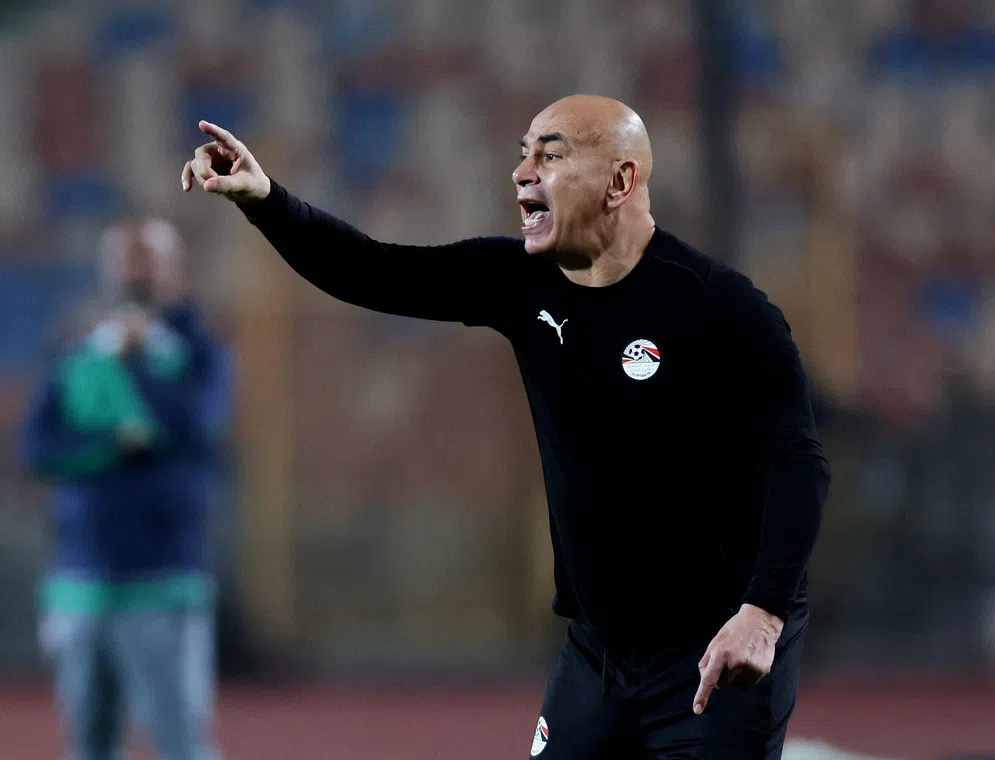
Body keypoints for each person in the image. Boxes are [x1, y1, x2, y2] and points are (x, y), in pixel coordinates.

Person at [182, 94, 830, 759]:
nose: (523, 172)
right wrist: (263, 199)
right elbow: (371, 269)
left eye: (550, 154)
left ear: (621, 181)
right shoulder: (521, 281)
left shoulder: (721, 306)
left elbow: (798, 460)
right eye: (522, 153)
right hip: (597, 653)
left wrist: (764, 612)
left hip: (715, 647)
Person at [22, 218, 233, 760]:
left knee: (180, 742)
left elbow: (193, 425)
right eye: (124, 259)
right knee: (89, 747)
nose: (134, 272)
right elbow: (40, 449)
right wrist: (118, 442)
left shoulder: (197, 355)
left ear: (176, 271)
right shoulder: (80, 357)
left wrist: (138, 371)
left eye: (148, 259)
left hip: (163, 581)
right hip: (80, 585)